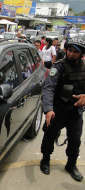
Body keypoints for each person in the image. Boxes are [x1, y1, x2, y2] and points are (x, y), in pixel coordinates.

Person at [40, 38, 85, 181]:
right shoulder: (59, 66)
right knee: (49, 134)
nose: (71, 54)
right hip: (58, 109)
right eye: (69, 50)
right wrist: (48, 109)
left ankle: (71, 165)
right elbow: (49, 88)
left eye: (75, 52)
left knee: (75, 139)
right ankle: (45, 159)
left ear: (81, 53)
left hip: (75, 111)